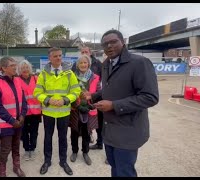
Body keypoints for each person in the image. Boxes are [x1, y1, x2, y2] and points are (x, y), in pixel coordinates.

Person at [84, 29, 159, 177]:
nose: (109, 46)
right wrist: (93, 96)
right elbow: (108, 89)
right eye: (105, 44)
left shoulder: (139, 63)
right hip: (110, 131)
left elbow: (150, 97)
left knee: (125, 172)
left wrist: (114, 105)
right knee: (114, 167)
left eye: (113, 42)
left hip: (128, 131)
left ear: (123, 42)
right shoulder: (106, 64)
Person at [34, 47, 81, 176]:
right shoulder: (43, 74)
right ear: (49, 58)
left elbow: (76, 91)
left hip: (64, 112)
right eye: (55, 56)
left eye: (60, 55)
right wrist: (48, 100)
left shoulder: (69, 73)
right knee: (47, 138)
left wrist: (65, 100)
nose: (58, 58)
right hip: (48, 112)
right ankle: (47, 161)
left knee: (63, 138)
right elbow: (37, 93)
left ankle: (63, 161)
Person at [0, 57, 28, 177]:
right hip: (5, 124)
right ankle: (2, 172)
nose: (15, 67)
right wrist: (12, 120)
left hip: (18, 121)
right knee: (5, 149)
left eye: (15, 64)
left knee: (16, 146)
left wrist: (22, 115)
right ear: (4, 68)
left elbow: (23, 100)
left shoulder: (17, 80)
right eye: (12, 65)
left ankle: (16, 167)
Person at [69, 55, 100, 166]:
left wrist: (92, 105)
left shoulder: (95, 77)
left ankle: (85, 152)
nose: (83, 65)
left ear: (88, 64)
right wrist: (77, 105)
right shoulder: (72, 77)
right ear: (77, 65)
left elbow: (99, 93)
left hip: (88, 110)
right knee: (74, 132)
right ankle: (74, 151)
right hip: (75, 110)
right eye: (80, 63)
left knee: (87, 132)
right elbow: (69, 93)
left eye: (85, 63)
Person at [16, 60, 42, 161]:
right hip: (23, 112)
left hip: (35, 112)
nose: (25, 69)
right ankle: (27, 150)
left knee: (34, 132)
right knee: (24, 132)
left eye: (26, 67)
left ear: (30, 68)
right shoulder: (16, 80)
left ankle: (33, 148)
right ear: (19, 70)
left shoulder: (36, 78)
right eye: (22, 68)